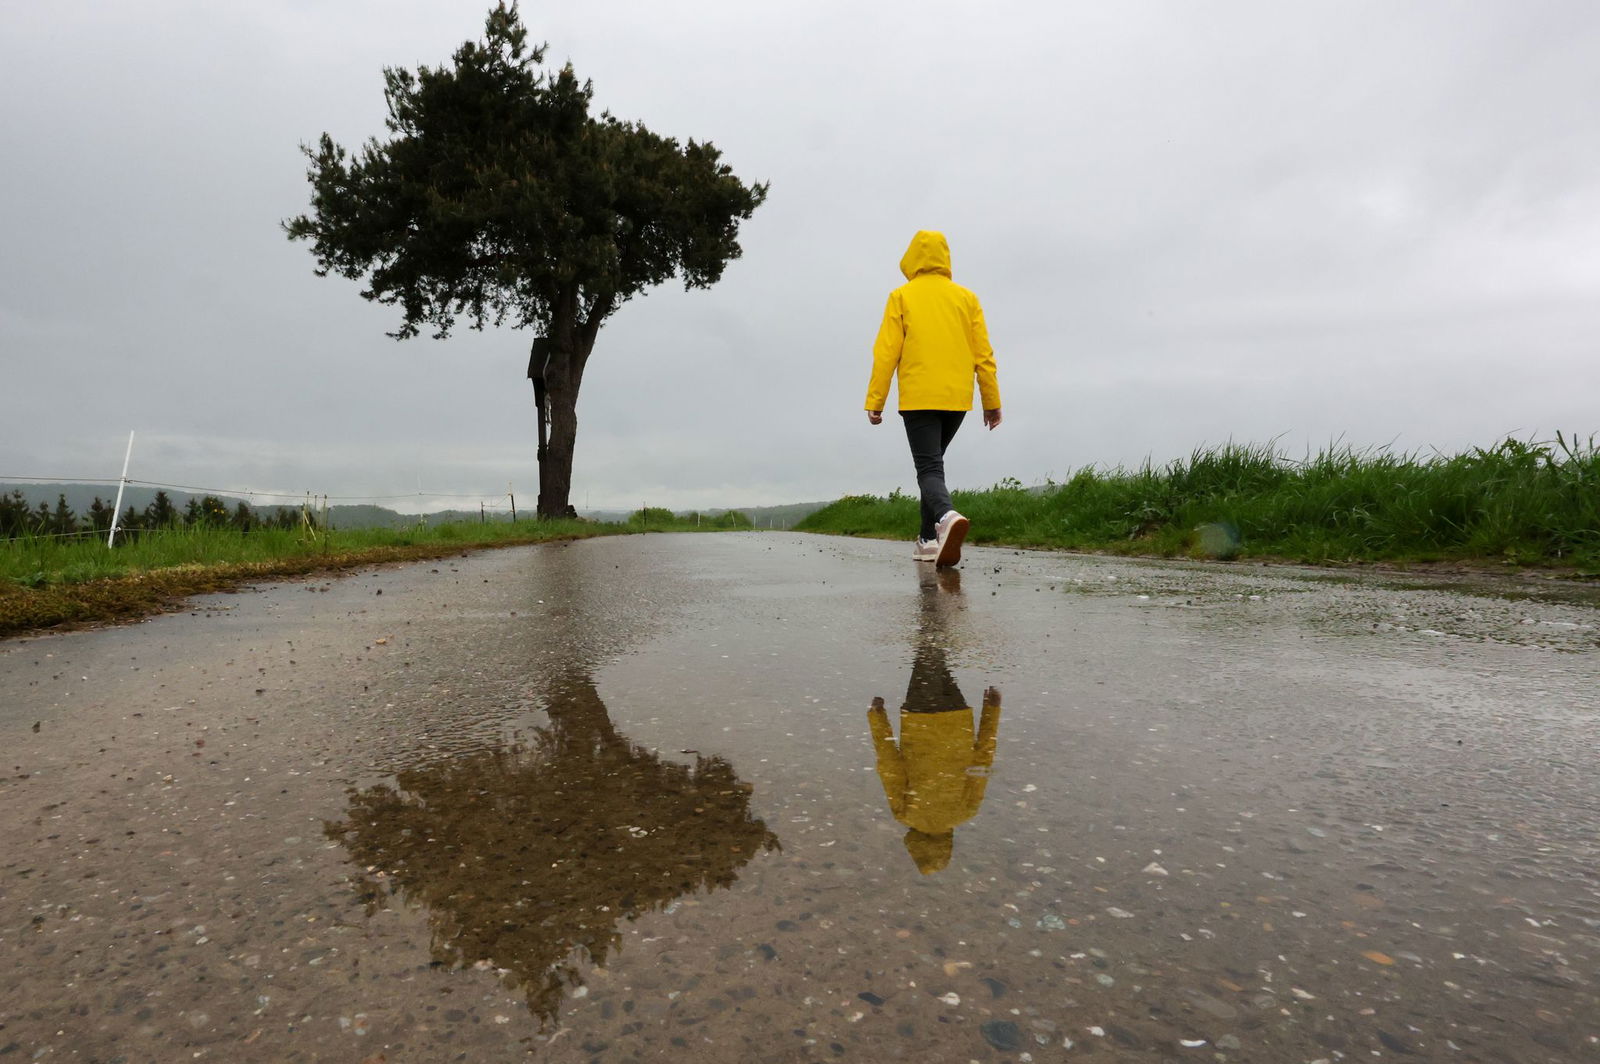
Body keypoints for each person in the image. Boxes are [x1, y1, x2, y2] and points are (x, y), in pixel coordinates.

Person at [865, 230, 1002, 567]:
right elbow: (983, 355)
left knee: (928, 468)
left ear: (912, 257)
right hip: (957, 400)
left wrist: (876, 400)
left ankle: (945, 518)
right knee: (933, 466)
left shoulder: (901, 296)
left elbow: (886, 353)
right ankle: (927, 541)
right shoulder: (967, 298)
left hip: (918, 397)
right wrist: (991, 400)